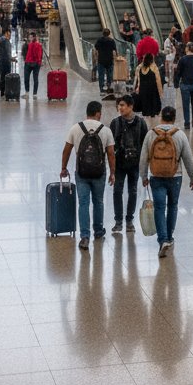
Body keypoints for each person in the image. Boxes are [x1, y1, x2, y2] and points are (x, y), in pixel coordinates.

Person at [139, 106, 193, 258]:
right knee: (173, 206)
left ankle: (162, 239)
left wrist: (143, 176)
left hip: (156, 175)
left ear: (161, 116)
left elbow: (143, 157)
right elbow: (188, 158)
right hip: (175, 176)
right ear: (174, 118)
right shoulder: (180, 134)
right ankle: (169, 237)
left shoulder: (151, 134)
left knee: (159, 207)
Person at [60, 101, 116, 250]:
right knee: (98, 202)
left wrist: (63, 168)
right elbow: (111, 154)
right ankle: (98, 231)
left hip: (82, 172)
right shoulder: (105, 130)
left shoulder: (76, 128)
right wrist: (112, 173)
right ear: (98, 113)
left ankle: (85, 236)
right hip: (99, 172)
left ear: (87, 112)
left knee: (83, 203)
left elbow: (66, 150)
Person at [109, 95, 148, 233]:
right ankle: (118, 221)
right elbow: (110, 145)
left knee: (133, 191)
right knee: (117, 191)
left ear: (131, 106)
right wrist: (112, 168)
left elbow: (145, 145)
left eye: (123, 105)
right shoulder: (115, 123)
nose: (120, 108)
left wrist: (145, 169)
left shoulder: (141, 123)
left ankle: (129, 220)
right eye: (119, 105)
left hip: (135, 164)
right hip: (119, 164)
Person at [174, 41, 193, 130]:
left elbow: (178, 72)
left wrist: (176, 83)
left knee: (186, 104)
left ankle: (187, 123)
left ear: (188, 48)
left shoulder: (182, 59)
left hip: (185, 84)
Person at [135, 51, 162, 120]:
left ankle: (146, 121)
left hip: (143, 90)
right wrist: (160, 92)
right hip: (152, 91)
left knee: (145, 109)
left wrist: (137, 88)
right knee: (153, 110)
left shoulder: (139, 68)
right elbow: (158, 80)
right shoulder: (154, 67)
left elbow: (138, 80)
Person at [94, 28, 117, 95]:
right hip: (109, 60)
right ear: (109, 34)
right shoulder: (111, 41)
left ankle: (101, 89)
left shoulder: (99, 40)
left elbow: (96, 48)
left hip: (101, 60)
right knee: (109, 75)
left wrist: (96, 56)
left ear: (102, 33)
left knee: (101, 75)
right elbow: (115, 50)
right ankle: (109, 87)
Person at [0, 28, 14, 99]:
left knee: (2, 76)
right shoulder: (5, 41)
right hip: (5, 61)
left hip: (0, 60)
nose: (10, 36)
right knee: (6, 76)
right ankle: (6, 91)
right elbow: (7, 52)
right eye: (9, 34)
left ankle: (2, 92)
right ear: (6, 33)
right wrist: (11, 58)